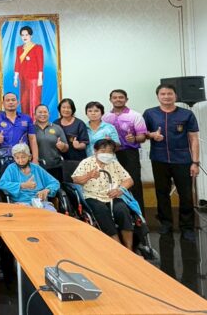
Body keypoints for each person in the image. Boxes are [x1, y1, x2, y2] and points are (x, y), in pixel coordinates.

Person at [143, 84, 200, 241]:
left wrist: (195, 162)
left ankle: (187, 227)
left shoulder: (187, 114)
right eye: (163, 94)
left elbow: (194, 139)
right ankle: (166, 224)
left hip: (182, 160)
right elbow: (142, 134)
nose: (166, 96)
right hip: (159, 159)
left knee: (186, 194)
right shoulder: (150, 113)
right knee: (162, 193)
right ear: (158, 96)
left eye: (170, 93)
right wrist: (152, 135)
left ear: (175, 96)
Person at [72, 139, 135, 250]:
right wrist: (89, 176)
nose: (106, 154)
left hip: (113, 196)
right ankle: (119, 248)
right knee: (102, 211)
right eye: (103, 151)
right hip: (93, 196)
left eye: (110, 152)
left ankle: (129, 249)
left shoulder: (114, 164)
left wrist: (120, 189)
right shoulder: (86, 162)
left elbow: (129, 180)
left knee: (122, 210)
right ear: (95, 151)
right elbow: (75, 179)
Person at [103, 89, 148, 214]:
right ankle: (120, 215)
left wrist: (134, 138)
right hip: (110, 155)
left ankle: (139, 216)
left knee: (134, 184)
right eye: (115, 97)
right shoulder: (105, 117)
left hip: (129, 154)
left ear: (126, 99)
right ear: (110, 100)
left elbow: (143, 137)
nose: (118, 99)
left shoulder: (135, 115)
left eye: (121, 97)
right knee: (113, 183)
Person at [0, 92, 38, 179]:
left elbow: (32, 139)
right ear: (3, 103)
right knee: (7, 184)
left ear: (18, 102)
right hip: (5, 159)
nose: (11, 102)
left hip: (23, 158)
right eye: (8, 100)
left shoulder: (26, 118)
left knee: (26, 183)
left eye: (13, 100)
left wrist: (35, 159)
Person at [0, 143, 60, 211]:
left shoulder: (37, 168)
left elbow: (55, 183)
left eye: (23, 157)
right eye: (17, 158)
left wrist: (47, 190)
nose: (20, 161)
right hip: (20, 203)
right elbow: (1, 184)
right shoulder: (11, 169)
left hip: (40, 202)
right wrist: (22, 185)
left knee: (52, 213)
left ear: (29, 157)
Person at [13, 26, 43, 118]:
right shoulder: (19, 48)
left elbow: (40, 63)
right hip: (23, 79)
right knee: (24, 101)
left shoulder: (37, 47)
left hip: (34, 79)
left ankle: (35, 121)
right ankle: (25, 121)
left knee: (34, 101)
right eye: (22, 35)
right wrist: (15, 78)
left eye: (26, 35)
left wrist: (40, 78)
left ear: (31, 36)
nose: (24, 37)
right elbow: (17, 63)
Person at [54, 98, 89, 175]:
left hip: (77, 160)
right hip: (59, 161)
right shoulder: (55, 123)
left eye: (69, 107)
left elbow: (84, 143)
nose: (66, 110)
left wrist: (78, 146)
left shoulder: (79, 123)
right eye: (63, 107)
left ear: (73, 109)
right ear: (59, 109)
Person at [34, 104, 68, 182]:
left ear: (49, 114)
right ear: (35, 114)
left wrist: (62, 146)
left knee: (56, 188)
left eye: (45, 112)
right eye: (40, 112)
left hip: (55, 167)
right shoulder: (31, 129)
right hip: (36, 167)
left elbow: (66, 148)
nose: (43, 114)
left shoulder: (57, 128)